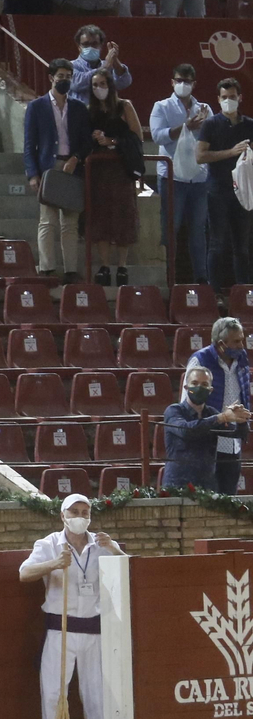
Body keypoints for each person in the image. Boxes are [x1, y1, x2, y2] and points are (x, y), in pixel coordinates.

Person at [19, 494, 124, 719]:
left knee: (96, 700)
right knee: (53, 697)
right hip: (60, 630)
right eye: (74, 511)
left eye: (85, 511)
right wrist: (53, 564)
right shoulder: (48, 544)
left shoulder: (102, 543)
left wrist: (115, 550)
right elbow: (25, 572)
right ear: (63, 516)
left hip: (94, 630)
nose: (80, 515)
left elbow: (128, 572)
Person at [24, 59, 91, 283]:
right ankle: (47, 268)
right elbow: (29, 144)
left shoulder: (79, 108)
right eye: (61, 76)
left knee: (70, 223)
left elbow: (85, 142)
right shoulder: (37, 106)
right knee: (47, 221)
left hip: (72, 167)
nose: (65, 80)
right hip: (48, 169)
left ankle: (71, 270)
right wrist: (33, 174)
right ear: (51, 77)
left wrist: (76, 158)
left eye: (68, 77)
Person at [150, 65, 214, 286]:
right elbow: (158, 137)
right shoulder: (162, 107)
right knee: (171, 230)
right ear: (172, 82)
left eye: (187, 81)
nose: (183, 85)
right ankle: (170, 279)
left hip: (199, 178)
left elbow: (212, 138)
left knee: (198, 230)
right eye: (179, 80)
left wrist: (203, 126)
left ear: (194, 84)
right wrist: (185, 126)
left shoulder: (205, 108)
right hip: (172, 178)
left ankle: (202, 279)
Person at [85, 67, 143, 286]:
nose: (98, 88)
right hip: (98, 170)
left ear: (110, 86)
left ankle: (122, 267)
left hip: (121, 169)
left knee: (123, 216)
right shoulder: (90, 110)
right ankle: (104, 266)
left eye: (102, 84)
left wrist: (113, 141)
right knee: (100, 218)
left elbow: (136, 135)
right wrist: (95, 137)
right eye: (94, 85)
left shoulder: (124, 106)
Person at [182, 318, 251, 492]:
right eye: (236, 341)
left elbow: (244, 395)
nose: (242, 345)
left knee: (229, 499)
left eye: (242, 339)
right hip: (206, 443)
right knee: (205, 499)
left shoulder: (242, 360)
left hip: (232, 441)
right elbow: (187, 402)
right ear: (221, 344)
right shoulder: (200, 361)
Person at [198, 78, 253, 291]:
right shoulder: (211, 124)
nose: (228, 101)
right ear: (218, 100)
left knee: (242, 246)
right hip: (218, 190)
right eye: (224, 98)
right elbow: (200, 156)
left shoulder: (249, 125)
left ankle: (245, 293)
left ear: (240, 98)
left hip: (244, 191)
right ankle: (215, 293)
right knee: (217, 243)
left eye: (232, 97)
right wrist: (231, 152)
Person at [164, 364, 250, 489]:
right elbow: (187, 431)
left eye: (204, 385)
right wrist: (222, 417)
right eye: (194, 383)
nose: (199, 387)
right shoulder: (174, 411)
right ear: (186, 387)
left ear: (210, 390)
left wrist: (241, 419)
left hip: (206, 486)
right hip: (177, 484)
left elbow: (238, 434)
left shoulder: (211, 413)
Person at [68, 24, 131, 107]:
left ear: (101, 45)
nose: (90, 47)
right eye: (86, 44)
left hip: (106, 114)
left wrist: (115, 60)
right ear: (79, 46)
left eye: (94, 44)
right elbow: (77, 84)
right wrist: (104, 68)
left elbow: (123, 83)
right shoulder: (70, 65)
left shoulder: (109, 64)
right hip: (81, 114)